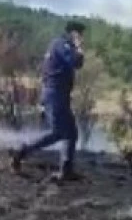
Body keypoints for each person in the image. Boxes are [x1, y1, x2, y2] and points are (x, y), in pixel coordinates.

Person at [10, 21, 85, 180]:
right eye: (80, 34)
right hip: (55, 94)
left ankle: (66, 170)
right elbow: (76, 62)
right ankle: (23, 150)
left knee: (70, 132)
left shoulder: (58, 44)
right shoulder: (62, 45)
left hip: (57, 94)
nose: (82, 37)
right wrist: (78, 47)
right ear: (73, 33)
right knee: (59, 132)